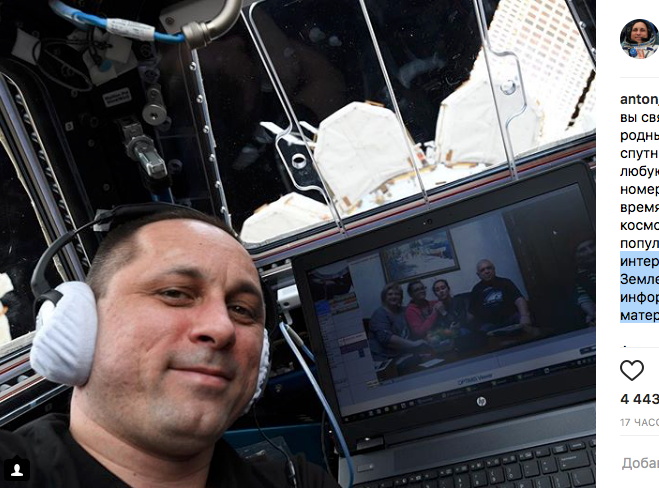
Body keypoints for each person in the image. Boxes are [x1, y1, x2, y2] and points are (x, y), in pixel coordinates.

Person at [0, 208, 339, 488]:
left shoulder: (298, 482)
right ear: (78, 323)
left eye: (241, 310)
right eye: (175, 293)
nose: (222, 328)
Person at [368, 283, 431, 361]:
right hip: (385, 358)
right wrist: (414, 344)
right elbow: (387, 339)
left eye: (397, 294)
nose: (394, 296)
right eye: (390, 294)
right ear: (384, 297)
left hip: (403, 354)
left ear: (401, 297)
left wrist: (425, 337)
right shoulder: (379, 314)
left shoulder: (404, 310)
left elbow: (414, 329)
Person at [469, 259, 532, 332]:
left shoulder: (506, 282)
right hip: (489, 324)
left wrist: (524, 315)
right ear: (478, 275)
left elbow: (519, 299)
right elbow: (472, 311)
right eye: (482, 270)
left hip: (511, 318)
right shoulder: (476, 289)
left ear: (494, 269)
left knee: (525, 322)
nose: (486, 271)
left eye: (489, 268)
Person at [574, 239, 595, 326]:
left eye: (592, 246)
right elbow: (585, 299)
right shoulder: (583, 278)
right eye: (583, 250)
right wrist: (593, 314)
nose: (590, 251)